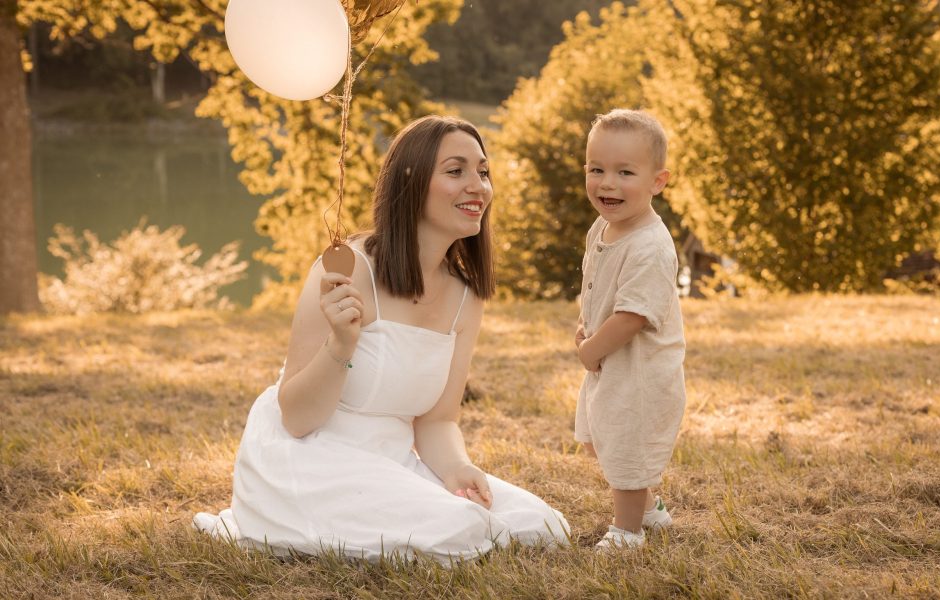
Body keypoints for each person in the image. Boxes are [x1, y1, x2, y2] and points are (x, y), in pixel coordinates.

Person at [194, 115, 569, 562]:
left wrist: (456, 470)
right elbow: (295, 417)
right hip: (311, 457)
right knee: (460, 530)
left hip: (390, 461)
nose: (478, 186)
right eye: (456, 171)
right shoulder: (347, 270)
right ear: (411, 185)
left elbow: (438, 421)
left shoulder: (465, 297)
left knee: (545, 525)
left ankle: (423, 505)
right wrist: (341, 344)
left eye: (483, 172)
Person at [573, 109, 687, 549]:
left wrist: (591, 350)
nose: (607, 183)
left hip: (640, 372)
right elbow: (596, 284)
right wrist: (583, 325)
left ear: (658, 181)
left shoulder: (650, 246)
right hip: (610, 362)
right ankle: (650, 508)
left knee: (625, 450)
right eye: (596, 169)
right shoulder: (603, 228)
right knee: (599, 440)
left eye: (625, 172)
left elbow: (633, 316)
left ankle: (627, 530)